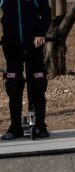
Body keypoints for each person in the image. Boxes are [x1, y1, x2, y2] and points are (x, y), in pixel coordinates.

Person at [0, 0, 51, 140]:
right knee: (13, 85)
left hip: (34, 44)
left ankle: (40, 125)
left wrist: (40, 33)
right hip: (11, 44)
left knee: (37, 83)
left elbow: (46, 13)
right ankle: (15, 127)